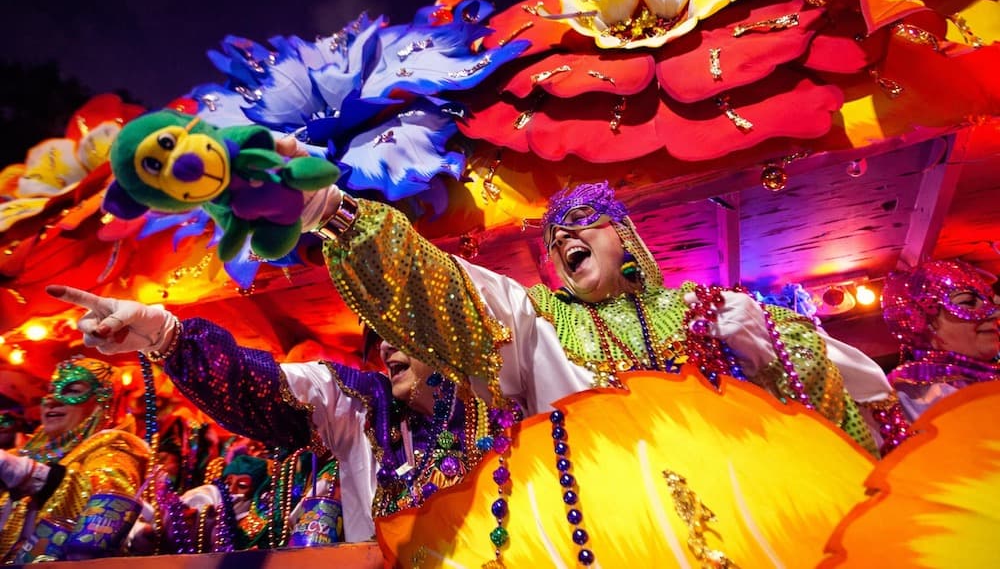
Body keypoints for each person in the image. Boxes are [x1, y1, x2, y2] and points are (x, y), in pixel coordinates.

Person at [285, 168, 907, 456]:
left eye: (580, 222)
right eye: (552, 239)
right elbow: (448, 285)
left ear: (626, 237)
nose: (561, 239)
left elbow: (844, 380)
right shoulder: (537, 324)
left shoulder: (713, 308)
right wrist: (336, 213)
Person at [45, 286, 516, 543]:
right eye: (378, 336)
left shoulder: (513, 401)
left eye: (401, 332)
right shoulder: (363, 405)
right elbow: (257, 387)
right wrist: (167, 338)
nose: (386, 347)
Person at [0, 356, 150, 562]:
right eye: (51, 390)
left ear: (103, 399)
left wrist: (30, 475)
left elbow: (103, 508)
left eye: (72, 391)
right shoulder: (23, 454)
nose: (52, 399)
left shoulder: (116, 447)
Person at [883, 258, 1000, 421]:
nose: (995, 313)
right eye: (968, 303)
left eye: (991, 301)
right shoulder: (913, 396)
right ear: (921, 321)